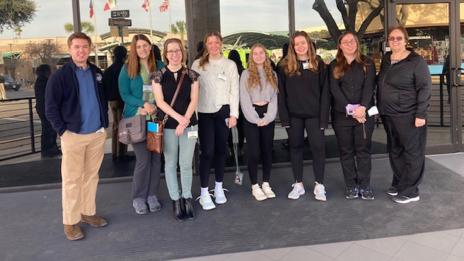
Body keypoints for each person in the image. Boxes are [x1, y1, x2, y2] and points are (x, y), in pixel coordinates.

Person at [45, 32, 109, 241]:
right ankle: (70, 222)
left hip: (96, 135)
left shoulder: (96, 73)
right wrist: (63, 131)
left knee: (91, 177)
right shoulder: (60, 77)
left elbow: (102, 99)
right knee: (72, 180)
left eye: (84, 46)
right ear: (70, 49)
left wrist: (103, 125)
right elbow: (50, 108)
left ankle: (87, 213)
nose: (81, 50)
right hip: (73, 135)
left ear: (89, 49)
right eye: (76, 47)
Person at [377, 26, 431, 204]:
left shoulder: (416, 61)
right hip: (388, 114)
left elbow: (424, 88)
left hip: (409, 115)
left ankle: (411, 190)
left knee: (412, 152)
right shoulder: (387, 59)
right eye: (392, 38)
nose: (395, 41)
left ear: (406, 40)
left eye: (399, 38)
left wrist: (420, 114)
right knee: (395, 150)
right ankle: (400, 182)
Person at [278, 31, 329, 201]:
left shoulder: (319, 64)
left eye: (303, 43)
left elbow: (325, 93)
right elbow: (281, 95)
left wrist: (323, 118)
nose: (300, 46)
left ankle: (319, 185)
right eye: (296, 44)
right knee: (295, 149)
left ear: (308, 44)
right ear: (292, 47)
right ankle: (298, 184)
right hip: (294, 117)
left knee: (318, 149)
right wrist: (284, 118)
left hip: (315, 116)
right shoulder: (284, 66)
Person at [152, 38, 199, 221]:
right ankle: (175, 199)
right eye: (170, 51)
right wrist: (179, 119)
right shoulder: (158, 76)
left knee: (186, 164)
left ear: (183, 52)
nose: (174, 54)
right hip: (168, 126)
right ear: (165, 54)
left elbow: (194, 100)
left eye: (178, 50)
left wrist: (184, 121)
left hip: (190, 126)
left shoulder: (192, 75)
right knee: (170, 164)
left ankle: (187, 197)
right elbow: (160, 102)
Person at [191, 32, 239, 210]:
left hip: (223, 111)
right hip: (204, 113)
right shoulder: (197, 64)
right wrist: (193, 115)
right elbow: (193, 91)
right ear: (206, 45)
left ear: (221, 44)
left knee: (221, 151)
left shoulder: (230, 65)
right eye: (210, 43)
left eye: (216, 42)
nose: (213, 46)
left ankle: (218, 187)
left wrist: (234, 114)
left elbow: (234, 91)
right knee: (207, 152)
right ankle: (204, 192)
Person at [119, 34, 164, 215]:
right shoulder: (127, 68)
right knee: (143, 161)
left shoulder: (160, 66)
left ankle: (152, 195)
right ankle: (138, 197)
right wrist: (142, 104)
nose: (142, 49)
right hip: (137, 120)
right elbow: (124, 94)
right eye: (139, 47)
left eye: (145, 46)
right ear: (134, 49)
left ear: (150, 47)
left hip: (154, 120)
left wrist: (156, 107)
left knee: (155, 159)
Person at [329, 32, 376, 200]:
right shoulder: (334, 65)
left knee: (363, 151)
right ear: (340, 45)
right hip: (342, 116)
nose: (349, 44)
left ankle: (365, 185)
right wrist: (350, 109)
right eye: (345, 42)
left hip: (364, 116)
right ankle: (351, 185)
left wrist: (362, 108)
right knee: (346, 151)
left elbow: (369, 87)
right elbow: (334, 90)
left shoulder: (367, 63)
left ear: (357, 43)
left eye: (352, 41)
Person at [240, 43, 278, 201]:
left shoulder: (273, 74)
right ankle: (255, 185)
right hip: (251, 116)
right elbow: (244, 99)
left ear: (266, 55)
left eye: (261, 53)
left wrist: (268, 117)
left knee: (267, 151)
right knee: (254, 152)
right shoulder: (246, 74)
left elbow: (275, 97)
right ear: (251, 56)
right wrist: (255, 119)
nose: (258, 56)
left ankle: (266, 183)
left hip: (268, 114)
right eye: (255, 53)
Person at [103, 45, 129, 161]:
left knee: (115, 126)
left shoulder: (108, 70)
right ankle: (121, 153)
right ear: (124, 55)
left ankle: (115, 152)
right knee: (123, 126)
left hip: (112, 101)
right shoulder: (124, 69)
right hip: (122, 101)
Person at [34, 64, 61, 158]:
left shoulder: (41, 81)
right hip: (45, 108)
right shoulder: (44, 81)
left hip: (43, 108)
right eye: (49, 70)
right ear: (46, 71)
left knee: (49, 129)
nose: (50, 72)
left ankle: (51, 148)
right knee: (48, 129)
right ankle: (48, 149)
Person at [227, 49, 245, 156]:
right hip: (241, 104)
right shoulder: (243, 71)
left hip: (230, 103)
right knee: (241, 128)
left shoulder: (228, 71)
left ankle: (230, 149)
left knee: (229, 128)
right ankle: (241, 148)